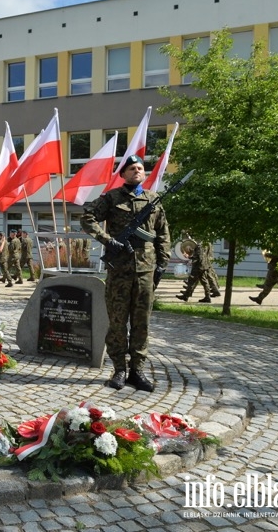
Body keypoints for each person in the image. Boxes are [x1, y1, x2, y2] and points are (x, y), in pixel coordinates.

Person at [80, 155, 170, 393]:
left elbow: (162, 234)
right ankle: (119, 369)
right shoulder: (111, 198)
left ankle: (137, 371)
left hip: (145, 271)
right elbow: (87, 219)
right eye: (132, 168)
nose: (137, 171)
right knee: (118, 322)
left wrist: (162, 263)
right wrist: (108, 241)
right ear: (123, 174)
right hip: (119, 270)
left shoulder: (153, 200)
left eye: (140, 168)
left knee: (142, 324)